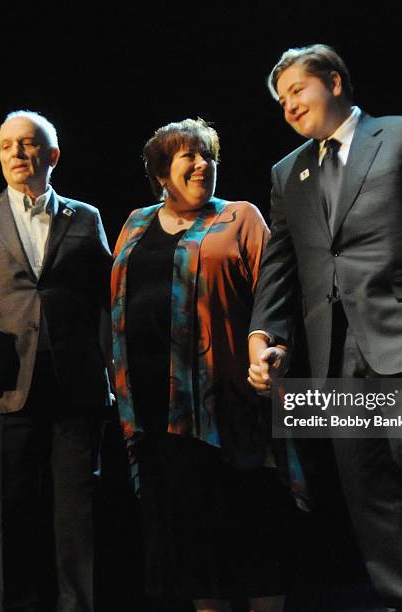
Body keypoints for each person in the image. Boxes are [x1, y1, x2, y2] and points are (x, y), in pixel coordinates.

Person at [248, 45, 402, 611]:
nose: (288, 107)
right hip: (334, 357)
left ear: (334, 81)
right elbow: (280, 264)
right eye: (281, 101)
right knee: (370, 498)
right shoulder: (289, 173)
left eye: (296, 92)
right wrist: (265, 336)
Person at [0, 110, 112, 611]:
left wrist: (115, 374)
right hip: (5, 385)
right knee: (10, 518)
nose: (16, 153)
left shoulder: (85, 216)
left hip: (76, 388)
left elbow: (107, 299)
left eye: (28, 144)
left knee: (78, 518)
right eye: (7, 145)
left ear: (51, 156)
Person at [112, 118, 292, 612]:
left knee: (248, 523)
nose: (200, 164)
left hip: (229, 403)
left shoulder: (240, 217)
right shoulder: (134, 223)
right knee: (191, 535)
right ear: (160, 173)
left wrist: (275, 350)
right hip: (156, 407)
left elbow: (275, 297)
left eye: (206, 155)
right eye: (187, 155)